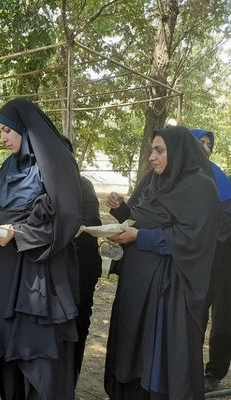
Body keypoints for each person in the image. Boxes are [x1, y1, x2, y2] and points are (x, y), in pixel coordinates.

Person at [0, 98, 82, 399]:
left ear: (26, 128)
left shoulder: (54, 162)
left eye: (7, 130)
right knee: (6, 341)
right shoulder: (8, 166)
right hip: (5, 269)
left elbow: (67, 218)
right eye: (0, 130)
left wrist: (19, 235)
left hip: (39, 271)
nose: (2, 138)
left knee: (36, 351)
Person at [104, 126, 221, 399]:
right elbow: (140, 218)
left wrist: (140, 237)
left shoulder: (201, 188)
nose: (152, 158)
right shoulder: (153, 181)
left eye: (159, 150)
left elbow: (192, 239)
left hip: (168, 290)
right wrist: (121, 210)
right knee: (131, 348)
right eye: (151, 151)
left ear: (178, 152)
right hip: (137, 284)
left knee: (157, 358)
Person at [191, 128, 231, 392]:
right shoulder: (172, 173)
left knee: (223, 316)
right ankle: (188, 366)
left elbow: (226, 217)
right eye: (201, 141)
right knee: (193, 311)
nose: (206, 146)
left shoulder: (218, 177)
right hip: (193, 257)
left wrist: (202, 237)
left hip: (222, 256)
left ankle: (214, 373)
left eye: (209, 144)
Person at [62, 137, 103, 382]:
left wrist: (70, 229)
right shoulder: (42, 182)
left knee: (77, 321)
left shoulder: (83, 185)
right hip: (54, 267)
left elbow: (93, 223)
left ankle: (70, 379)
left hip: (81, 267)